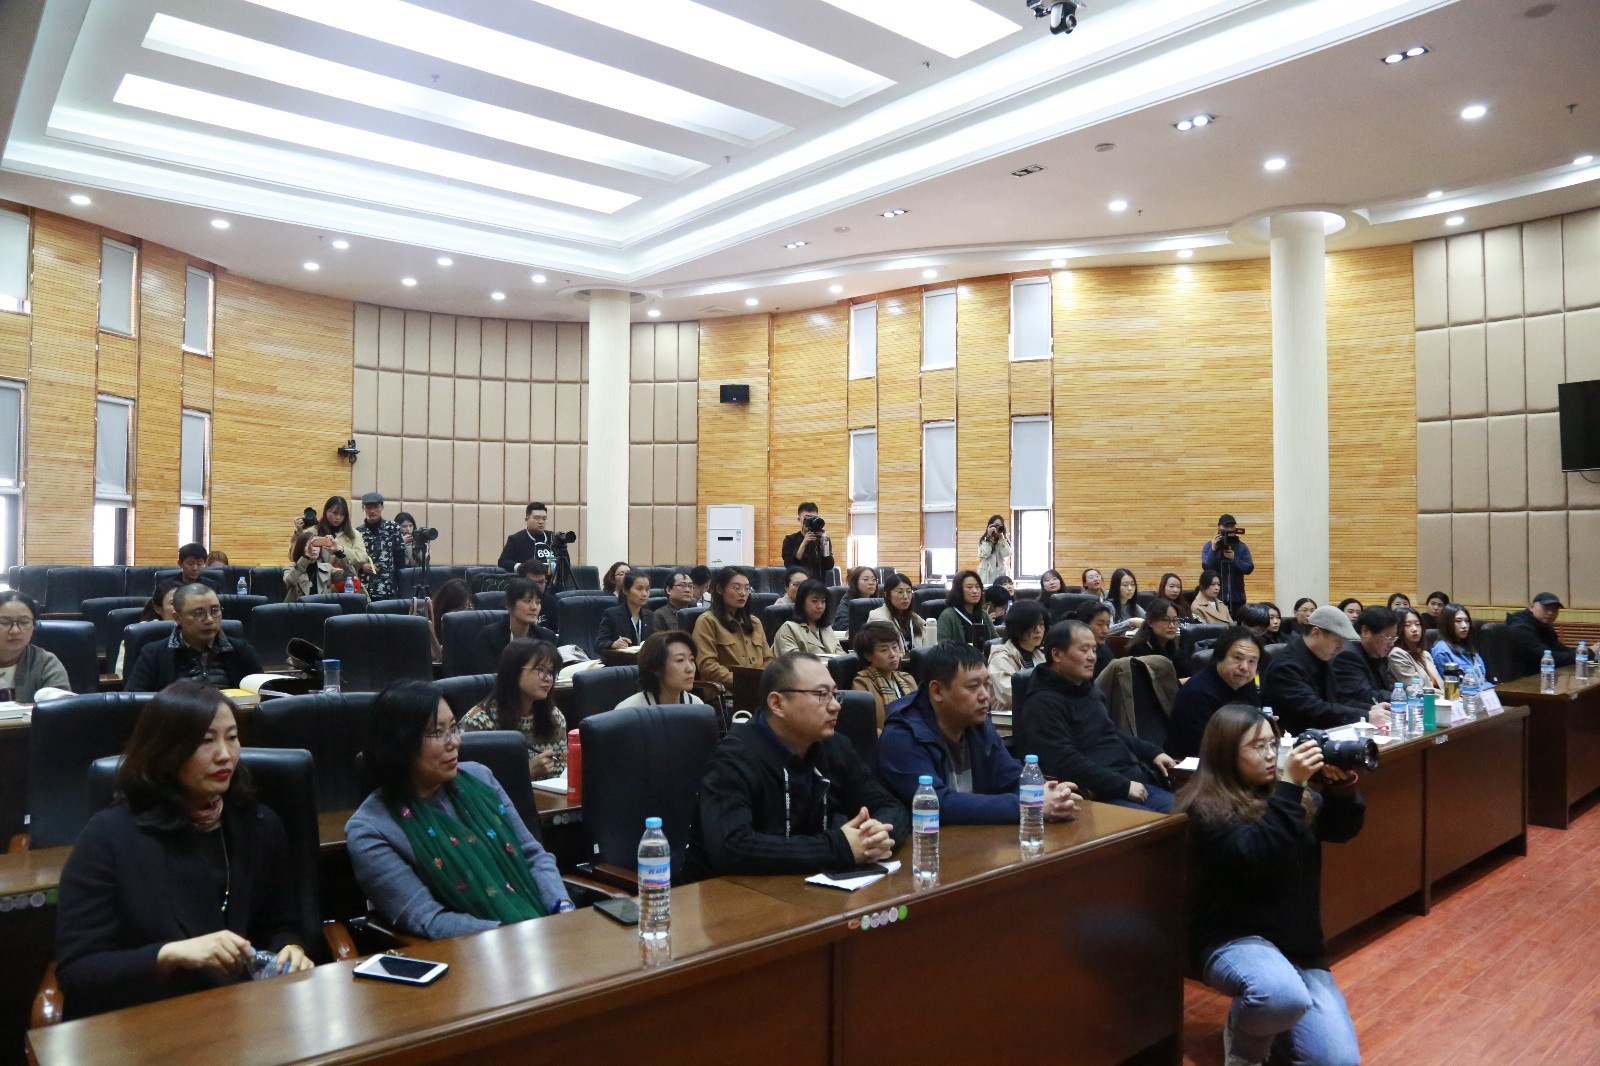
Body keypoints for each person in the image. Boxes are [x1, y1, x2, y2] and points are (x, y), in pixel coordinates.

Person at [54, 682, 314, 1019]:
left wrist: (290, 949)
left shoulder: (260, 824)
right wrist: (169, 954)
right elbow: (78, 970)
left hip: (245, 1015)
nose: (225, 754)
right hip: (148, 1018)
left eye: (232, 737)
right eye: (207, 741)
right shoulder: (108, 837)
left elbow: (282, 923)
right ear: (166, 750)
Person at [1177, 704, 1364, 1066]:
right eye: (1257, 746)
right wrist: (1290, 786)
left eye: (1272, 744)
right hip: (1233, 939)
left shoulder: (1295, 798)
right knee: (1279, 994)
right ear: (1226, 753)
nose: (1269, 755)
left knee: (1338, 1062)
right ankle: (1244, 1049)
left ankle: (1271, 1024)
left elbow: (1342, 831)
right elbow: (1256, 856)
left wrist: (1341, 790)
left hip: (1298, 949)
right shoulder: (1205, 808)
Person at [347, 681, 573, 939]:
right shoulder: (371, 829)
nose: (454, 742)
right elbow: (428, 918)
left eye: (454, 728)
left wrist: (562, 908)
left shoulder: (481, 778)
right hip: (472, 951)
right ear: (399, 743)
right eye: (437, 732)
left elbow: (534, 856)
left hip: (544, 930)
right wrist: (513, 937)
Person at [683, 652, 909, 880]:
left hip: (806, 885)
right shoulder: (734, 758)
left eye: (834, 695)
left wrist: (874, 837)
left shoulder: (835, 747)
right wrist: (839, 847)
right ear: (777, 703)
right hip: (729, 893)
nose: (835, 706)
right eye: (821, 695)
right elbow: (731, 847)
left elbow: (891, 807)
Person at [876, 641, 1080, 824]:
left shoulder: (977, 721)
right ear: (937, 691)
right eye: (973, 687)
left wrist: (1046, 792)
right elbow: (935, 803)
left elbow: (1008, 774)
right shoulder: (903, 735)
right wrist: (1029, 805)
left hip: (979, 839)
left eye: (986, 684)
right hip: (926, 844)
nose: (985, 696)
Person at [1016, 621, 1177, 812]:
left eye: (1094, 650)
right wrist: (1123, 786)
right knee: (1173, 821)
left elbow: (1110, 733)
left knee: (1197, 809)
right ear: (1057, 655)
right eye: (1084, 650)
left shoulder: (1087, 689)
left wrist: (1153, 752)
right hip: (1097, 795)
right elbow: (1064, 762)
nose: (1092, 657)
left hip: (1132, 780)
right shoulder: (1042, 703)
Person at [1261, 606, 1389, 735]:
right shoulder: (1286, 666)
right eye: (1338, 641)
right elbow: (1313, 709)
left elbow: (1336, 700)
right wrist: (1366, 716)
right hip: (1296, 737)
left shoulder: (1322, 656)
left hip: (1324, 732)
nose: (1341, 647)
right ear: (1316, 633)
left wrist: (1371, 709)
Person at [460, 639, 567, 780]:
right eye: (541, 670)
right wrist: (526, 774)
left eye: (551, 672)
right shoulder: (480, 722)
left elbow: (561, 776)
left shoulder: (554, 717)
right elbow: (478, 784)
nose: (548, 679)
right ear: (514, 671)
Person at [125, 584, 263, 692]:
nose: (209, 620)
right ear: (177, 618)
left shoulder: (241, 651)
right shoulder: (154, 654)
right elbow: (134, 702)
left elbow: (264, 693)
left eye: (215, 611)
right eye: (199, 613)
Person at [1166, 627, 1263, 760]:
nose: (1244, 667)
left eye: (1252, 661)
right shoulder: (1197, 693)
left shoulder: (1245, 682)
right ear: (1219, 657)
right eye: (1237, 658)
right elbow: (1204, 748)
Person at [691, 567, 775, 686]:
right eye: (736, 588)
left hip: (758, 689)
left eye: (747, 589)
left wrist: (760, 681)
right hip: (727, 691)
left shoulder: (754, 622)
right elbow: (707, 666)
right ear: (719, 589)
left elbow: (769, 660)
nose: (743, 593)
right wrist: (743, 682)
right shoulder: (707, 621)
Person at [0, 591, 71, 702]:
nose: (15, 630)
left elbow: (62, 708)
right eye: (4, 622)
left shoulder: (46, 663)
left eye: (24, 622)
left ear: (33, 626)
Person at [292, 497, 371, 590]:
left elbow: (363, 558)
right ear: (326, 511)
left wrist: (340, 550)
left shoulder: (353, 534)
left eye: (342, 514)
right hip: (318, 586)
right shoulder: (312, 532)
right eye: (334, 513)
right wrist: (298, 533)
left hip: (346, 586)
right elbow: (293, 556)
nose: (338, 517)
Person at [478, 578, 558, 670]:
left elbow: (549, 673)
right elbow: (489, 676)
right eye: (527, 601)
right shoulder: (489, 636)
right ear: (509, 605)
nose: (534, 607)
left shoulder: (547, 638)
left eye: (538, 602)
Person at [851, 621, 918, 729]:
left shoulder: (907, 678)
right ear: (868, 656)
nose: (892, 654)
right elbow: (867, 728)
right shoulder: (862, 683)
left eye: (894, 647)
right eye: (884, 650)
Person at [1330, 606, 1400, 708]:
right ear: (1365, 631)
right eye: (1388, 637)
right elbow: (1364, 695)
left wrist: (1407, 692)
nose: (1391, 644)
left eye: (1394, 638)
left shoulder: (1378, 654)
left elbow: (1385, 687)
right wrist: (1400, 697)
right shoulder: (1347, 656)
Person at [618, 630, 705, 707]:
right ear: (656, 667)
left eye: (691, 659)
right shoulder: (630, 710)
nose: (690, 669)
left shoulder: (697, 705)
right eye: (680, 660)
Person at [988, 599, 1047, 712]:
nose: (1038, 630)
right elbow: (1012, 695)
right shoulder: (1000, 658)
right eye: (1032, 625)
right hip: (1008, 720)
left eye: (1041, 624)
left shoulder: (1040, 656)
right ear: (1017, 627)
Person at [1505, 592, 1575, 675]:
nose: (1550, 613)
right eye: (1546, 608)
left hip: (1539, 674)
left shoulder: (1544, 625)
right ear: (1531, 607)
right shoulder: (1520, 627)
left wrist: (1584, 653)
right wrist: (1581, 656)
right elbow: (1548, 658)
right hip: (1520, 678)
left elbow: (1559, 648)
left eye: (1555, 609)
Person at [352, 492, 406, 601]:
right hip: (364, 588)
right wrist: (362, 567)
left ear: (382, 507)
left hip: (388, 587)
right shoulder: (357, 532)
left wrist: (401, 586)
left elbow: (400, 558)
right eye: (368, 507)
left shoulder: (393, 528)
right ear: (363, 508)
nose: (372, 511)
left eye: (376, 507)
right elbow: (352, 559)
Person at [1200, 514, 1255, 615]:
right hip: (1215, 598)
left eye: (1232, 526)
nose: (1229, 529)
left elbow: (1249, 568)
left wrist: (1234, 559)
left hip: (1237, 598)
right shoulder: (1209, 546)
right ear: (1219, 527)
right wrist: (1213, 550)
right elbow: (1206, 568)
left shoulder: (1241, 547)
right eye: (1226, 526)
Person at [1429, 604, 1494, 689]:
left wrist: (1496, 690)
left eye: (1467, 621)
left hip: (1484, 692)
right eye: (1458, 621)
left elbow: (1482, 680)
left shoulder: (1468, 646)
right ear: (1447, 624)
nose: (1464, 625)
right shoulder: (1442, 651)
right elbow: (1454, 688)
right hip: (1466, 695)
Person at [594, 570, 657, 656]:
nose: (645, 594)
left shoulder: (649, 615)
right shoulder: (612, 614)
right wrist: (613, 644)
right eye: (639, 589)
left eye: (647, 589)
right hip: (620, 661)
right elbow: (598, 644)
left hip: (642, 661)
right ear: (625, 590)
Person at [775, 578, 845, 656]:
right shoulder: (789, 629)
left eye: (823, 601)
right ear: (802, 602)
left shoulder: (826, 627)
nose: (820, 606)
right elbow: (793, 660)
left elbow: (841, 655)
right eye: (814, 601)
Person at [868, 573, 933, 654]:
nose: (905, 596)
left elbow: (929, 647)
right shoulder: (877, 617)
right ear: (887, 595)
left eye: (909, 592)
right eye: (900, 592)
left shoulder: (916, 618)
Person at [1125, 597, 1188, 680]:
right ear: (1150, 622)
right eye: (1166, 620)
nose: (1172, 625)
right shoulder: (1139, 650)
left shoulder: (1176, 650)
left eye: (1175, 620)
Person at [937, 570, 998, 649]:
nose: (975, 591)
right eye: (969, 587)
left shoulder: (983, 614)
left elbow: (996, 641)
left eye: (977, 587)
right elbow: (942, 648)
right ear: (958, 591)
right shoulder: (948, 616)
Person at [497, 502, 561, 577]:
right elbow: (503, 561)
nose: (541, 522)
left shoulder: (554, 538)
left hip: (553, 580)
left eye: (544, 519)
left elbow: (565, 563)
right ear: (526, 520)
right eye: (536, 518)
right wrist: (522, 568)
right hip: (527, 582)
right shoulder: (515, 539)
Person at [1389, 607, 1444, 692]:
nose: (1415, 629)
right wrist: (1445, 695)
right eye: (1407, 625)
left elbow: (1440, 685)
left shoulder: (1425, 654)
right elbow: (1417, 690)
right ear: (1397, 628)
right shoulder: (1396, 654)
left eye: (1418, 624)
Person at [780, 502, 835, 582]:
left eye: (814, 518)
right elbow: (790, 565)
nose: (811, 521)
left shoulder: (824, 539)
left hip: (819, 584)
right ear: (799, 519)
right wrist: (804, 543)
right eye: (807, 518)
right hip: (799, 584)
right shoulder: (790, 540)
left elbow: (829, 566)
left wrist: (824, 545)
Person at [423, 578, 472, 664]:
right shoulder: (424, 619)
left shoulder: (468, 626)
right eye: (463, 608)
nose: (465, 612)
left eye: (469, 607)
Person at [283, 530, 341, 602]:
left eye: (315, 545)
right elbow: (290, 581)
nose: (313, 549)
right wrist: (306, 557)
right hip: (298, 608)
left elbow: (350, 574)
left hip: (322, 607)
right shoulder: (290, 568)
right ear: (300, 548)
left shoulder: (327, 568)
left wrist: (338, 552)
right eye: (308, 546)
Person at [513, 560, 562, 634]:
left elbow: (558, 632)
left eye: (541, 582)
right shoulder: (514, 602)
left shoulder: (553, 602)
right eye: (533, 582)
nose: (538, 586)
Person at [1077, 600, 1116, 680]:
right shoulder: (1074, 651)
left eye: (1108, 624)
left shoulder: (1104, 648)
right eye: (1100, 624)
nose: (1106, 631)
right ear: (1084, 624)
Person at [977, 515, 1012, 586]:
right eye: (995, 525)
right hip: (985, 575)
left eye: (1000, 526)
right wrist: (989, 538)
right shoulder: (983, 541)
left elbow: (1006, 554)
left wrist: (1002, 538)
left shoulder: (1003, 541)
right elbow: (986, 554)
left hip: (999, 575)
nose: (997, 528)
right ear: (990, 526)